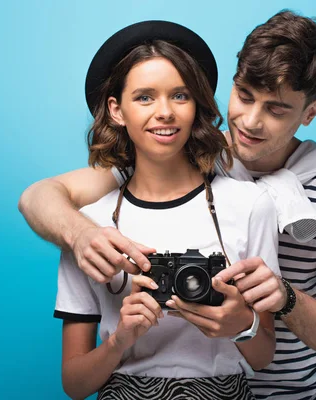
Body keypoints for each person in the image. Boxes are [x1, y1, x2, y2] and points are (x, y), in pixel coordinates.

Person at [19, 10, 316, 400]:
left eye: (275, 109)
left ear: (310, 111)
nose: (251, 122)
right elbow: (39, 196)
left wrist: (281, 296)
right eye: (243, 96)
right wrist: (83, 235)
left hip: (286, 392)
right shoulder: (179, 153)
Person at [52, 20, 280, 400]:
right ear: (116, 110)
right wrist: (120, 339)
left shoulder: (250, 205)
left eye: (180, 95)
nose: (164, 112)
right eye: (144, 97)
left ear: (196, 107)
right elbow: (75, 385)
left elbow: (263, 357)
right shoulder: (89, 227)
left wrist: (241, 323)